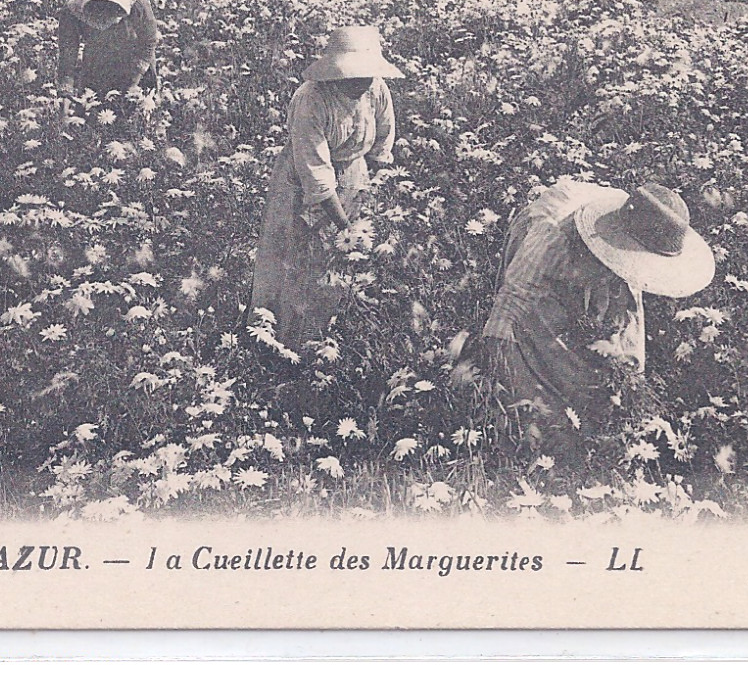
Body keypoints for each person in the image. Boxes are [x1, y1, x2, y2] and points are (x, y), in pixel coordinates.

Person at [458, 177, 715, 455]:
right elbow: (507, 319)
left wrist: (629, 392)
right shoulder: (551, 238)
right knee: (540, 339)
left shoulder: (642, 231)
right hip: (552, 237)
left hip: (617, 237)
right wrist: (524, 397)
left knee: (614, 341)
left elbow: (629, 325)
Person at [250, 25, 401, 349]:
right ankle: (278, 344)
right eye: (353, 77)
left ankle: (320, 339)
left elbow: (382, 141)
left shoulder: (376, 89)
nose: (361, 84)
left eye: (366, 76)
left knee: (334, 266)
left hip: (352, 177)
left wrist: (366, 193)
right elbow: (315, 172)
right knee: (294, 262)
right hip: (300, 184)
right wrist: (347, 229)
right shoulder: (311, 99)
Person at [57, 0, 160, 97]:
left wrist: (135, 79)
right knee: (94, 107)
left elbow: (148, 41)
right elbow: (68, 51)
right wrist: (66, 90)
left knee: (139, 107)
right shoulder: (72, 12)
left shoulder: (138, 4)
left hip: (134, 62)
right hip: (96, 65)